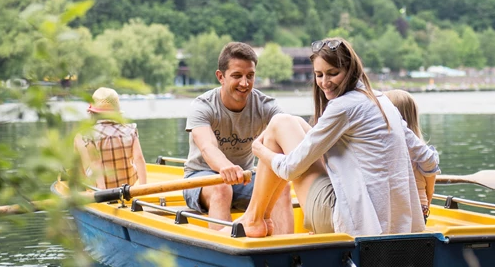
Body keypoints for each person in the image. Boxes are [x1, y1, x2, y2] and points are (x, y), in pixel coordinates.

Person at [238, 37, 439, 238]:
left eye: (333, 73)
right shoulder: (381, 100)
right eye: (319, 75)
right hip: (397, 225)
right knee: (295, 123)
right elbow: (429, 161)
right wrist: (423, 201)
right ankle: (256, 218)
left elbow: (290, 169)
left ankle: (255, 219)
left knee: (279, 123)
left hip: (351, 222)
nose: (324, 82)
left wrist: (259, 150)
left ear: (350, 70)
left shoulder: (343, 106)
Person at [182, 42, 291, 231]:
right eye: (237, 76)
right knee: (222, 188)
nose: (244, 83)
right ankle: (224, 253)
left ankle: (289, 251)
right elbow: (208, 147)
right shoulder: (202, 106)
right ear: (220, 77)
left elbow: (288, 131)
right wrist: (226, 167)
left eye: (250, 76)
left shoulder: (266, 105)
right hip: (201, 178)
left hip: (245, 178)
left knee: (282, 188)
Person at [74, 87, 148, 190]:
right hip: (128, 184)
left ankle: (80, 183)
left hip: (103, 187)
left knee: (78, 138)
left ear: (93, 113)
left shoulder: (90, 134)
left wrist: (102, 191)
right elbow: (139, 158)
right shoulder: (130, 130)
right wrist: (143, 188)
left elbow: (96, 164)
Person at [385, 89, 437, 221]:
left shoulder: (384, 148)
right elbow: (430, 187)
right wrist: (427, 201)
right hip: (421, 207)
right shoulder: (422, 150)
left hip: (394, 208)